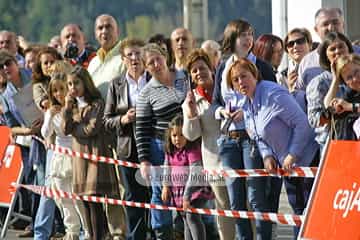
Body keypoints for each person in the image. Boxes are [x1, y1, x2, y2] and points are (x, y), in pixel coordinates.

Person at [227, 58, 319, 239]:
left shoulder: (272, 93)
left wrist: (293, 154)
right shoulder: (246, 104)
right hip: (288, 168)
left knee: (312, 215)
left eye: (244, 76)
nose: (240, 82)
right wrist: (267, 155)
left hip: (308, 160)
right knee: (298, 214)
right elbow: (258, 136)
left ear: (254, 75)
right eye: (236, 80)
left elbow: (302, 124)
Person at [212, 18, 275, 240]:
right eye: (243, 35)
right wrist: (223, 113)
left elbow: (271, 104)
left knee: (256, 195)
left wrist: (247, 112)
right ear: (232, 39)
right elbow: (215, 103)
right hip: (228, 139)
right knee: (235, 198)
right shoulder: (222, 67)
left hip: (253, 139)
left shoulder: (263, 67)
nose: (248, 39)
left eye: (251, 33)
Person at [62, 66, 123, 240]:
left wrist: (75, 128)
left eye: (76, 83)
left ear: (85, 83)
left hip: (95, 155)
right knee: (85, 201)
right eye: (70, 84)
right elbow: (65, 128)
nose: (73, 88)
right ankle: (94, 234)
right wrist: (67, 108)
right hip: (79, 159)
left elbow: (92, 129)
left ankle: (99, 236)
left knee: (95, 200)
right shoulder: (72, 105)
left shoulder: (97, 103)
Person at [136, 43, 188, 239]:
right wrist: (144, 160)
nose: (156, 64)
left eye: (157, 59)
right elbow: (140, 129)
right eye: (150, 63)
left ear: (165, 57)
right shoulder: (146, 93)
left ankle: (186, 230)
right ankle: (162, 233)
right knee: (161, 193)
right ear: (145, 67)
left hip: (189, 146)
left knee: (192, 189)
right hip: (161, 147)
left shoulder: (184, 77)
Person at [182, 48, 235, 240]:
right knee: (224, 208)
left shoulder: (226, 89)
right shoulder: (191, 100)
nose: (199, 72)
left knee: (243, 205)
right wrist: (191, 114)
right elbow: (191, 135)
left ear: (211, 68)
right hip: (214, 162)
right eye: (194, 70)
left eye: (202, 68)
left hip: (237, 157)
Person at [104, 38, 150, 240]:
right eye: (129, 54)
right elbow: (106, 120)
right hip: (127, 147)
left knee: (155, 195)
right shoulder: (116, 84)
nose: (134, 58)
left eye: (138, 53)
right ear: (123, 60)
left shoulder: (154, 79)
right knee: (133, 196)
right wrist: (124, 118)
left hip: (153, 146)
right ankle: (136, 236)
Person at [41, 73, 83, 240]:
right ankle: (71, 232)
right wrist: (49, 115)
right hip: (59, 158)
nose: (58, 93)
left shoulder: (76, 107)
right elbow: (45, 133)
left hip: (75, 156)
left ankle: (86, 232)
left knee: (78, 197)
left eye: (61, 89)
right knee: (62, 198)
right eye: (55, 90)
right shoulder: (52, 111)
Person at [162, 114, 213, 240]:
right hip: (178, 191)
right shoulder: (170, 151)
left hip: (195, 190)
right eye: (174, 135)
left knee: (191, 215)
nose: (177, 139)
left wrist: (187, 196)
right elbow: (166, 168)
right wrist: (165, 186)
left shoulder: (192, 149)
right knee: (185, 218)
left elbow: (196, 171)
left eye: (181, 135)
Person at [306, 32, 353, 150]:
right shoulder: (319, 83)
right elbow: (314, 120)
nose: (338, 51)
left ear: (348, 49)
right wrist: (335, 80)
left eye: (341, 47)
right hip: (332, 146)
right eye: (332, 49)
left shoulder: (356, 77)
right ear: (326, 55)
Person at [296, 7, 347, 90]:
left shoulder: (357, 54)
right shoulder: (307, 63)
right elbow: (301, 94)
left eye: (335, 22)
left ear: (343, 25)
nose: (331, 28)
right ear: (316, 30)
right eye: (325, 24)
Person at [323, 53, 360, 140]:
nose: (355, 79)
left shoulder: (350, 104)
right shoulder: (352, 95)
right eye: (349, 78)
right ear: (346, 83)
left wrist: (350, 107)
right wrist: (335, 80)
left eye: (357, 72)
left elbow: (349, 106)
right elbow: (328, 106)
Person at [88, 14, 125, 98]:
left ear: (117, 31)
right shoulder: (93, 62)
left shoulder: (126, 58)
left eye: (108, 27)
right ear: (95, 34)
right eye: (100, 28)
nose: (104, 31)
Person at [32, 46, 63, 111]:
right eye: (46, 63)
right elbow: (43, 102)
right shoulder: (38, 85)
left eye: (52, 62)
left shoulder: (67, 77)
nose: (49, 65)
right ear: (40, 66)